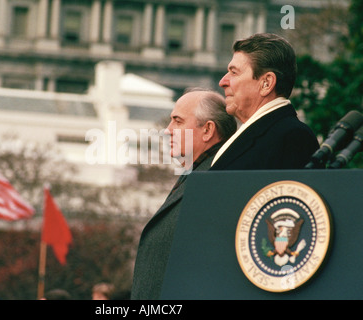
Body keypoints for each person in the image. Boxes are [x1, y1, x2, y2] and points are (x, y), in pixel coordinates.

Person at [130, 88, 237, 300]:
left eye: (178, 121)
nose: (167, 130)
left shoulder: (215, 182)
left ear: (207, 130)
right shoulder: (199, 174)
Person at [209, 33, 319, 170]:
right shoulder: (272, 133)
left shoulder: (293, 137)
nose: (222, 82)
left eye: (234, 73)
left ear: (266, 83)